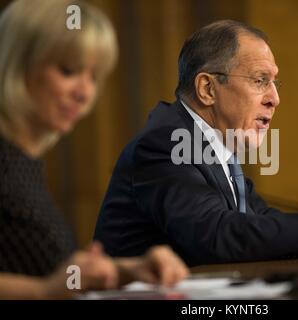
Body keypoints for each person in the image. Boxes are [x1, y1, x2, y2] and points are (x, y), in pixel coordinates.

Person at [94, 20, 298, 266]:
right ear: (207, 88)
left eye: (274, 83)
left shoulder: (216, 145)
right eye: (260, 80)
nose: (275, 98)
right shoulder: (167, 143)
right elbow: (218, 236)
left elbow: (259, 222)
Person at [0, 0, 188, 299]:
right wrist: (42, 292)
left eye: (93, 77)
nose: (85, 93)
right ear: (18, 62)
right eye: (69, 70)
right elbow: (45, 285)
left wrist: (124, 270)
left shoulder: (24, 163)